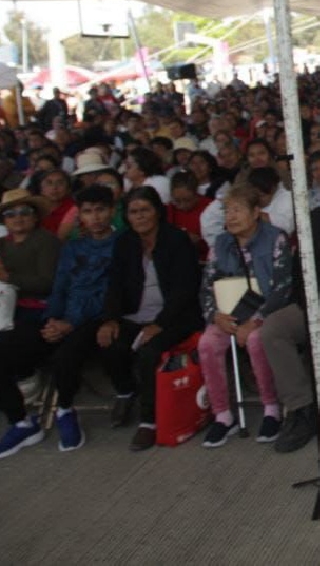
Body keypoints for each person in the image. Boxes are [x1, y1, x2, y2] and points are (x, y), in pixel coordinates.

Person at [57, 187, 203, 451]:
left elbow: (185, 288)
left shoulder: (176, 240)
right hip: (135, 314)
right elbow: (115, 286)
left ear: (158, 211)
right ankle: (127, 390)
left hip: (176, 315)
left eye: (145, 210)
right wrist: (110, 319)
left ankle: (149, 421)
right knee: (108, 341)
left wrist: (159, 324)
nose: (140, 217)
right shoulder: (125, 242)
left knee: (150, 351)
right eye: (134, 212)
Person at [0, 185, 117, 457]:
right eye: (88, 212)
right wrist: (52, 319)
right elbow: (60, 287)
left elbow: (111, 293)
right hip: (59, 315)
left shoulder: (123, 244)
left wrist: (70, 323)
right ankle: (22, 422)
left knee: (66, 354)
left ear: (111, 211)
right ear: (81, 217)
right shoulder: (73, 246)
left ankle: (65, 409)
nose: (95, 217)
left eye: (100, 210)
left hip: (95, 317)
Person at [260, 156, 320, 454]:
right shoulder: (315, 218)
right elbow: (300, 270)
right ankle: (301, 409)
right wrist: (313, 307)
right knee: (274, 329)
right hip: (318, 303)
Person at [197, 182, 290, 448]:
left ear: (256, 212)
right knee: (207, 343)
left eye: (237, 210)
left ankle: (271, 408)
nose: (231, 217)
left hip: (265, 310)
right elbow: (206, 286)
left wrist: (255, 320)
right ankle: (223, 415)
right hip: (228, 314)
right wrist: (215, 316)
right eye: (227, 211)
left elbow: (282, 287)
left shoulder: (276, 238)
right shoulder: (220, 243)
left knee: (256, 340)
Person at [0, 189, 61, 325]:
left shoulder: (47, 241)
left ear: (35, 216)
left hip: (36, 309)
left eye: (25, 212)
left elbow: (48, 284)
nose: (18, 218)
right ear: (4, 220)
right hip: (5, 305)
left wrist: (8, 278)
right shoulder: (2, 243)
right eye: (10, 214)